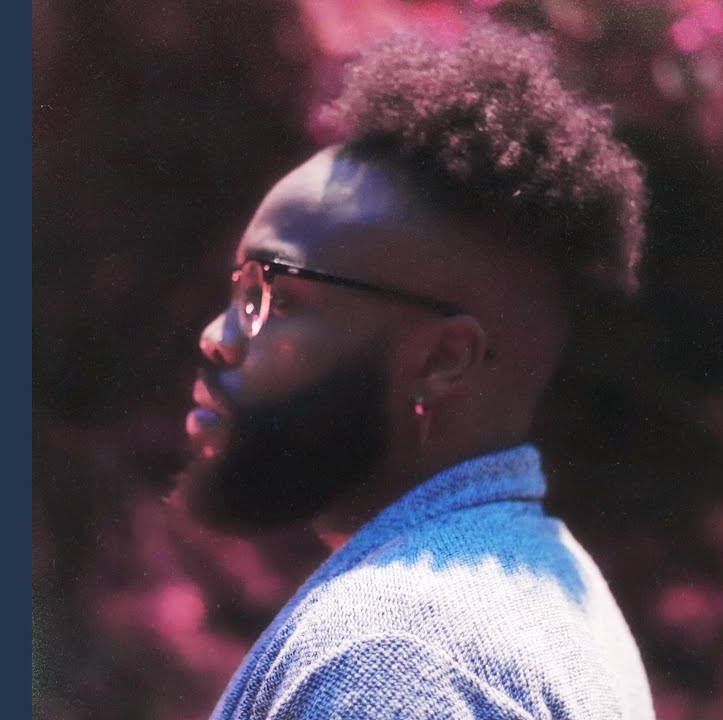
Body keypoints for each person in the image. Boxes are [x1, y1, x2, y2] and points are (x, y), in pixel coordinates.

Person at [176, 22, 654, 720]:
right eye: (238, 290)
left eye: (273, 297)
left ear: (441, 361)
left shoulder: (388, 654)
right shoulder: (553, 575)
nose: (216, 339)